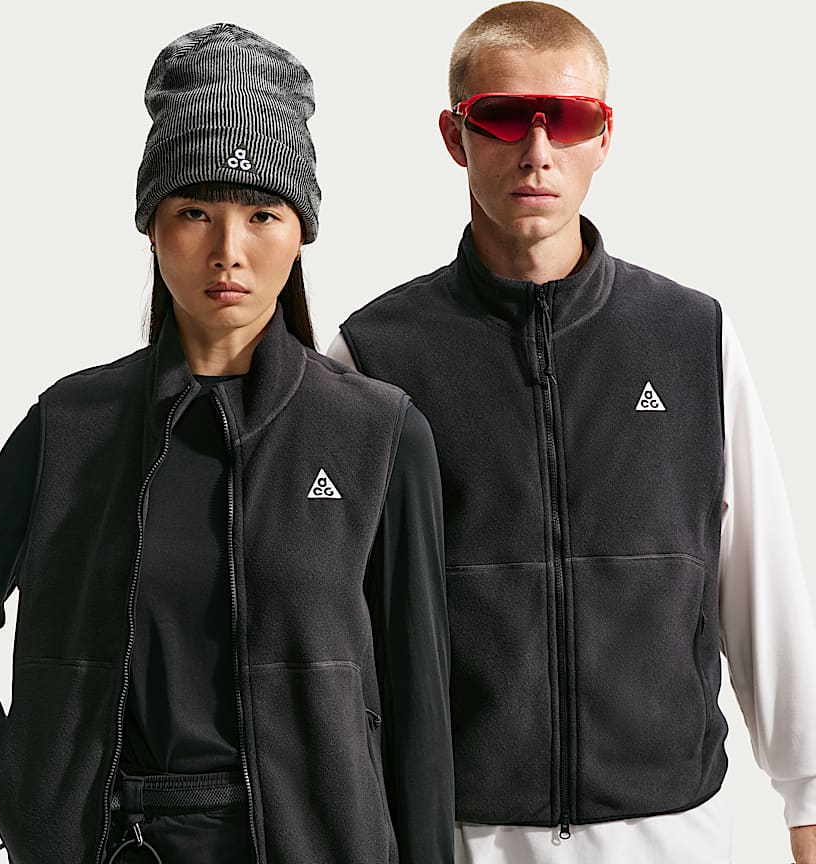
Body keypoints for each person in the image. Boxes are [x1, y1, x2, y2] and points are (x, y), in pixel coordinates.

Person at [0, 23, 453, 864]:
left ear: (300, 232)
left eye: (262, 214)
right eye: (194, 213)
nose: (229, 252)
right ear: (152, 226)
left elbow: (419, 706)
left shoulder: (378, 433)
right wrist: (21, 786)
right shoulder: (69, 425)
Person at [328, 3, 816, 862]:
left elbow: (759, 576)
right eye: (504, 117)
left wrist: (807, 792)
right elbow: (332, 617)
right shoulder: (374, 355)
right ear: (454, 135)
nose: (538, 149)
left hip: (670, 830)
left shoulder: (690, 335)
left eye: (569, 117)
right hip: (466, 833)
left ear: (605, 135)